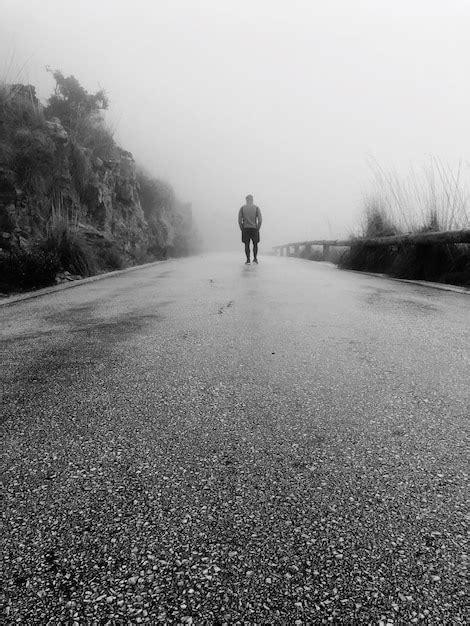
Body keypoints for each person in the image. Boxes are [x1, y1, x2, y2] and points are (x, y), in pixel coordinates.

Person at [238, 195, 262, 264]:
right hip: (254, 228)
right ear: (252, 200)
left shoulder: (242, 208)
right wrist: (258, 228)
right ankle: (255, 259)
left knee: (246, 245)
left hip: (245, 228)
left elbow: (239, 220)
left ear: (246, 200)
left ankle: (248, 260)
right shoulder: (256, 208)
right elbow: (260, 220)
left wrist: (241, 228)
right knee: (255, 244)